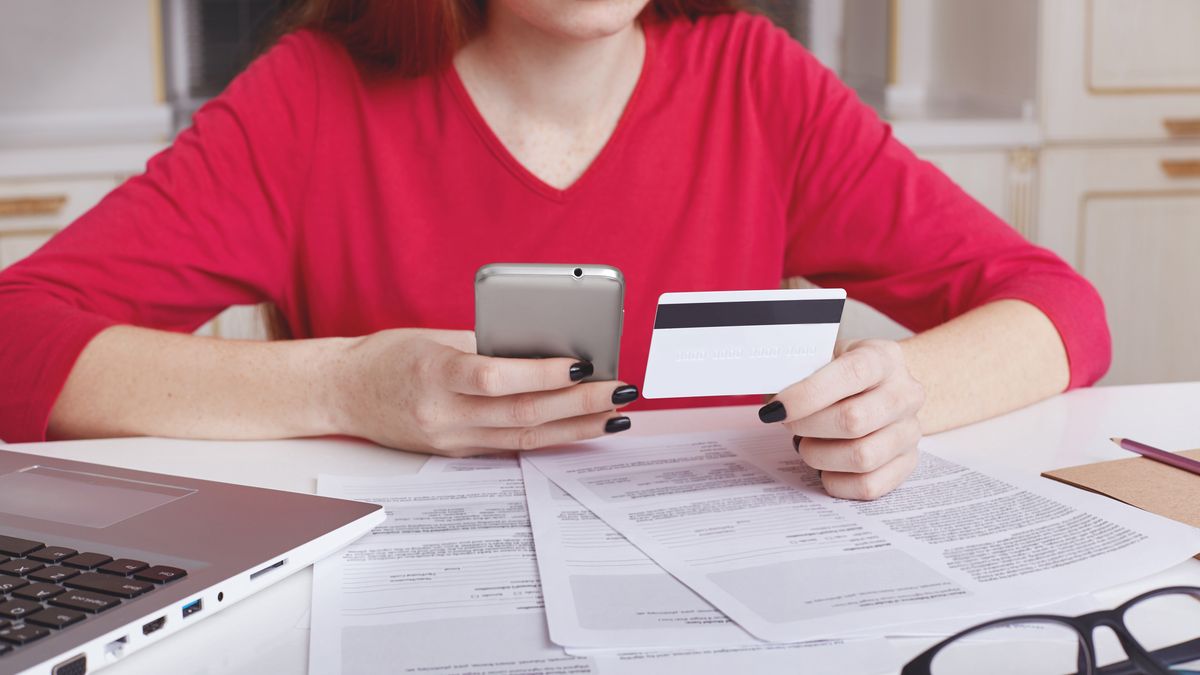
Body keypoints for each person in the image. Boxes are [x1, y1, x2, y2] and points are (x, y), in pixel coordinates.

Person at [0, 0, 1110, 501]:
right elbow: (15, 340)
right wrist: (345, 381)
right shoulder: (312, 99)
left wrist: (899, 394)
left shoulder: (755, 78)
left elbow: (1059, 308)